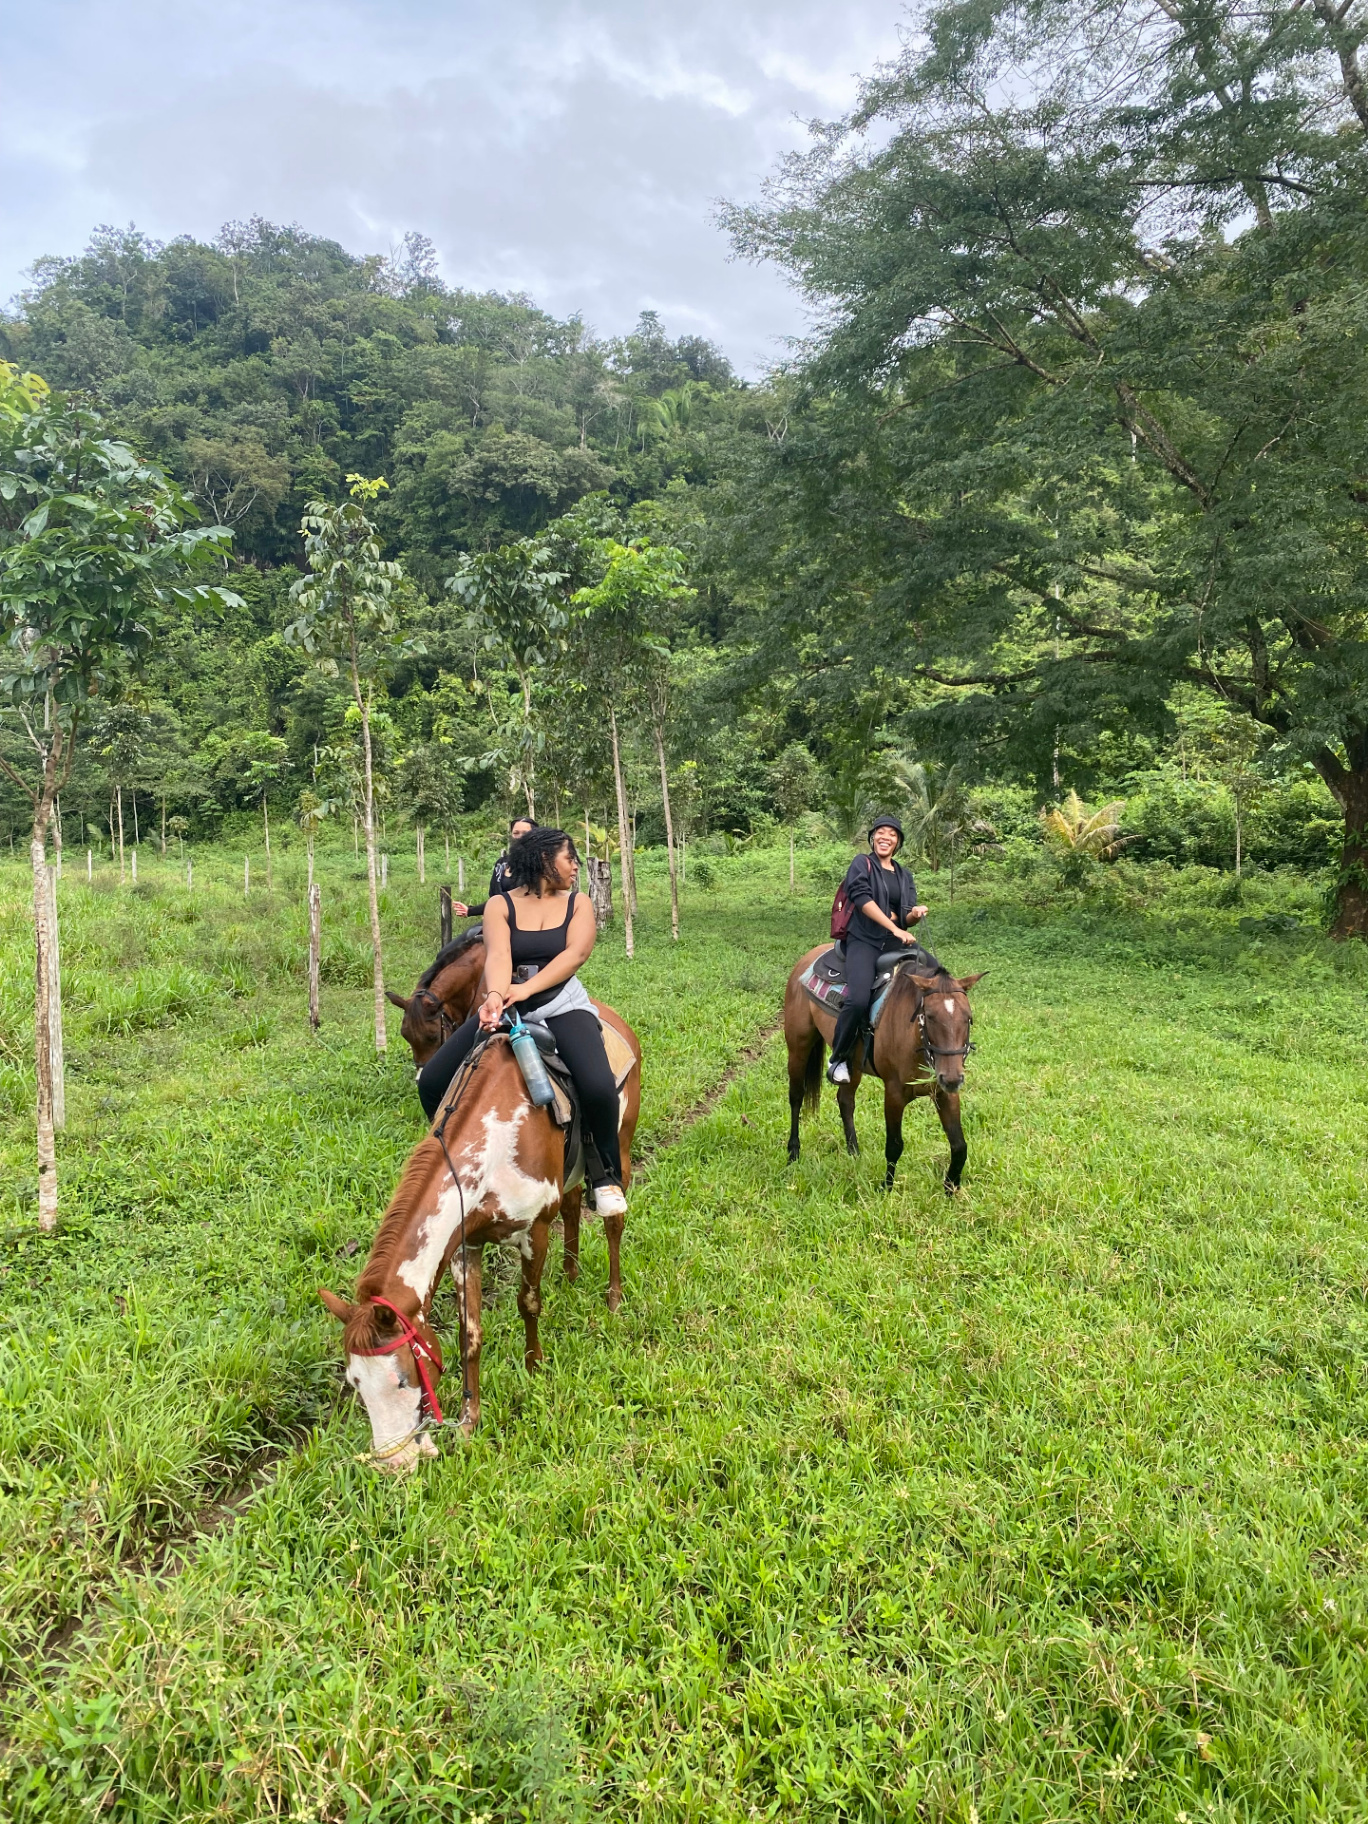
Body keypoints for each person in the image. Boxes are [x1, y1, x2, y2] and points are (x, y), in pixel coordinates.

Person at [417, 825, 627, 1217]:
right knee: (431, 1082)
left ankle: (606, 1176)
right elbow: (498, 957)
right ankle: (457, 1162)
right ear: (545, 860)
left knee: (598, 1087)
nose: (576, 867)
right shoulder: (501, 906)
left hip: (562, 1003)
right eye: (570, 858)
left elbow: (575, 955)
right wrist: (495, 997)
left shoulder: (577, 903)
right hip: (509, 1003)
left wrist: (526, 990)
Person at [827, 814, 933, 1085]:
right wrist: (895, 927)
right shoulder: (862, 864)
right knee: (859, 998)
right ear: (873, 837)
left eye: (893, 834)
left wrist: (914, 915)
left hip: (894, 941)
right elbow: (862, 900)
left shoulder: (904, 874)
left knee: (938, 979)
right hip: (863, 940)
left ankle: (938, 1044)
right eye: (881, 832)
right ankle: (838, 1057)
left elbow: (905, 913)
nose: (886, 837)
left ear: (898, 842)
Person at [452, 815, 536, 918]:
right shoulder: (501, 864)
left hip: (529, 922)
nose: (520, 837)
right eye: (516, 833)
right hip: (499, 920)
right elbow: (496, 899)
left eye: (525, 833)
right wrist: (470, 910)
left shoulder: (540, 864)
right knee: (467, 934)